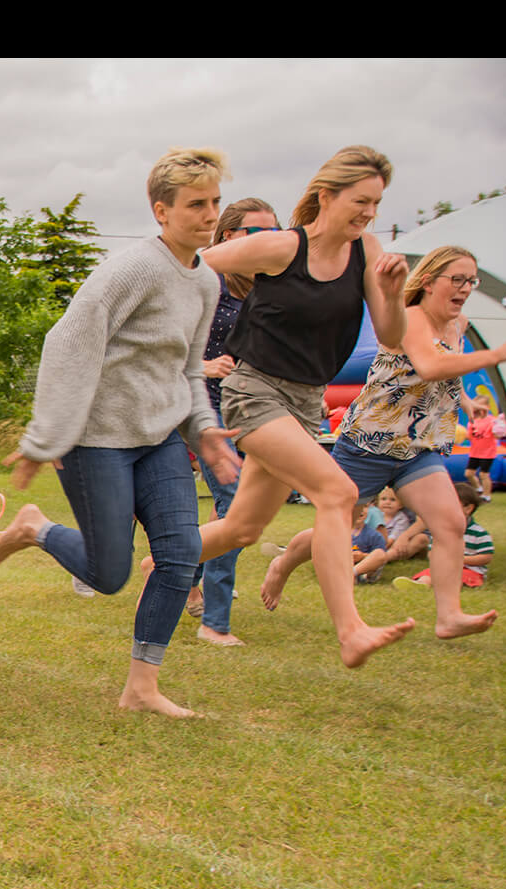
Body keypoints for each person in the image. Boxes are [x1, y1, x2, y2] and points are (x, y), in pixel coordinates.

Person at [0, 148, 241, 719]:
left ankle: (142, 687)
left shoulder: (205, 282)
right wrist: (47, 437)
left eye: (215, 203)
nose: (209, 215)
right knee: (110, 573)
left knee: (179, 557)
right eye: (196, 205)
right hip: (98, 439)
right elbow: (68, 341)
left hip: (157, 440)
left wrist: (203, 429)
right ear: (161, 210)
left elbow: (188, 366)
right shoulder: (135, 269)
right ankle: (36, 528)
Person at [193, 145, 418, 668]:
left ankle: (165, 561)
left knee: (242, 529)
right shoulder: (280, 248)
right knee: (336, 492)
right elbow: (191, 264)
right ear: (326, 195)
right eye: (361, 200)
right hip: (254, 392)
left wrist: (392, 290)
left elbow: (390, 334)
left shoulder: (365, 250)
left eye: (377, 203)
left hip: (305, 401)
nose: (369, 212)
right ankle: (351, 631)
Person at [258, 246, 506, 637]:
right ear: (428, 281)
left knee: (450, 523)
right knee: (336, 530)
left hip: (415, 448)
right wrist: (496, 354)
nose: (464, 288)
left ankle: (449, 617)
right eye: (456, 279)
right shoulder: (410, 318)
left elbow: (442, 377)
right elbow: (428, 364)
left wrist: (470, 401)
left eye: (470, 281)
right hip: (368, 443)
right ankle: (285, 562)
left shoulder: (459, 326)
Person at [188, 197, 282, 647]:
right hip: (207, 410)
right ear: (228, 237)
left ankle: (179, 566)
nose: (270, 241)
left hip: (259, 409)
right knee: (234, 502)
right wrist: (204, 366)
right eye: (256, 233)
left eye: (274, 231)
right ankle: (215, 621)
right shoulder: (206, 283)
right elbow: (163, 345)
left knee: (250, 509)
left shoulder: (272, 288)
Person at [396, 482, 494, 590]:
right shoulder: (440, 530)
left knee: (459, 577)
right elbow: (431, 552)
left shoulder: (479, 533)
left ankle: (447, 585)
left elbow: (486, 557)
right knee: (429, 574)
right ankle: (421, 584)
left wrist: (461, 560)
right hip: (443, 567)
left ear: (468, 508)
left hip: (470, 570)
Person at [466, 397, 497, 502]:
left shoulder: (492, 421)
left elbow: (497, 435)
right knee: (468, 473)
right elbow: (469, 436)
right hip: (475, 452)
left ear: (487, 407)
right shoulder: (472, 421)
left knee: (483, 474)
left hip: (488, 453)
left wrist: (498, 430)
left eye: (480, 406)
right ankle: (478, 489)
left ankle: (486, 495)